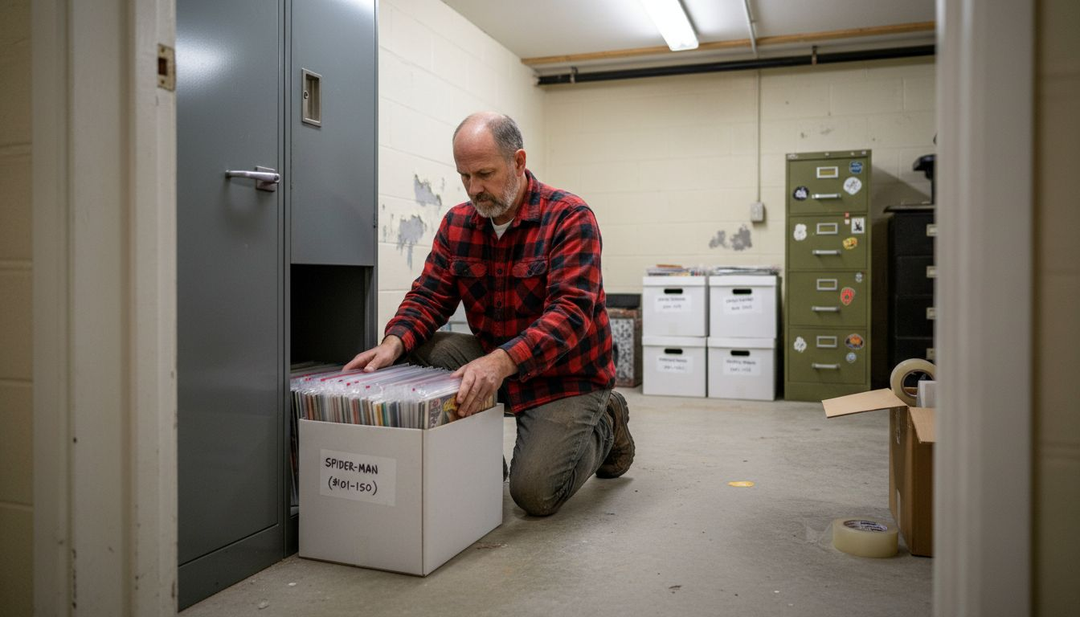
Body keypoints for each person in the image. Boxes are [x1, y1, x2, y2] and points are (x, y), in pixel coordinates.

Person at [344, 111, 634, 517]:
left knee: (534, 495)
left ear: (518, 161)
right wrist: (392, 344)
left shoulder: (569, 217)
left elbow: (571, 312)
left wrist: (500, 362)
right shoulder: (459, 224)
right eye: (464, 176)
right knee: (416, 346)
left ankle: (607, 419)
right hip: (499, 358)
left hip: (566, 376)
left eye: (484, 173)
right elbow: (429, 295)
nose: (474, 189)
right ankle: (481, 457)